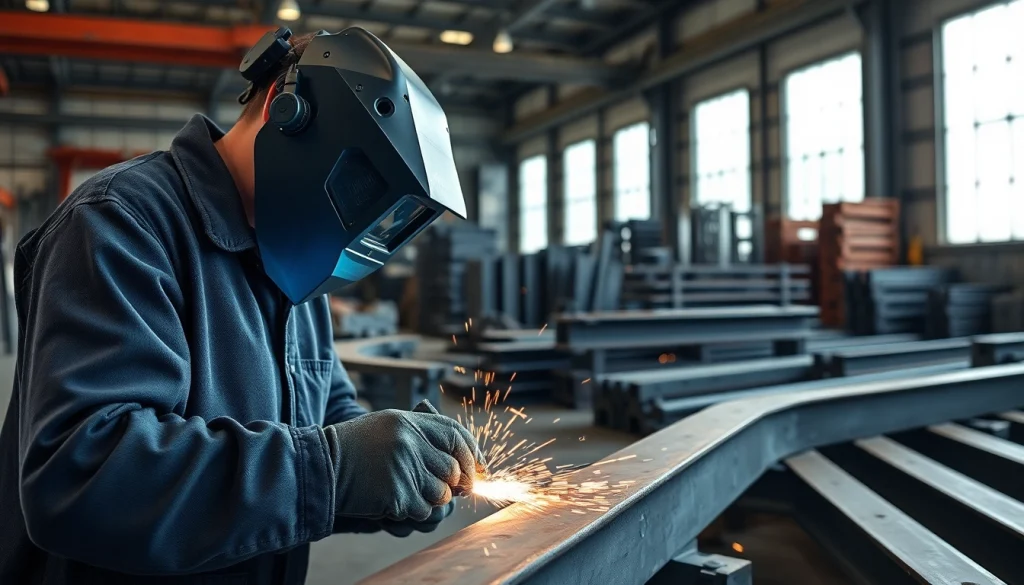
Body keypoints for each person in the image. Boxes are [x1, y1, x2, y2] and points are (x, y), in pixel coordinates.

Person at [0, 27, 479, 585]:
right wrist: (333, 470)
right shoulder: (121, 223)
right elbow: (83, 475)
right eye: (360, 189)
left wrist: (395, 473)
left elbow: (326, 420)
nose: (357, 223)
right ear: (284, 108)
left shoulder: (293, 263)